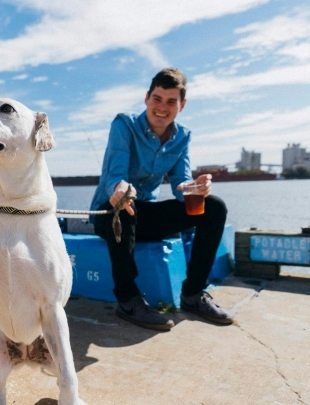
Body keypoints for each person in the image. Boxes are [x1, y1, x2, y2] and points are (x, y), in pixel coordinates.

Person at [90, 67, 232, 331]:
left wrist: (196, 188)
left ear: (182, 105)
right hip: (109, 212)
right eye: (157, 98)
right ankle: (128, 300)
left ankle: (192, 294)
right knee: (124, 207)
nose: (162, 107)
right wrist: (121, 189)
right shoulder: (124, 124)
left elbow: (181, 184)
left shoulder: (183, 137)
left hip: (146, 214)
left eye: (171, 101)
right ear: (147, 98)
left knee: (214, 207)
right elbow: (115, 173)